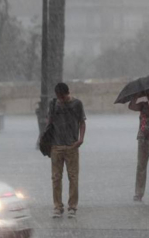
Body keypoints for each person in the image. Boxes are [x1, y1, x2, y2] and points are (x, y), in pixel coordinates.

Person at [48, 82, 86, 218]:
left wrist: (81, 139)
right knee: (56, 178)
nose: (61, 100)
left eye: (62, 97)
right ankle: (57, 206)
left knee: (73, 177)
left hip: (71, 145)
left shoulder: (77, 104)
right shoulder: (53, 104)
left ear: (67, 93)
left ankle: (72, 206)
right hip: (56, 146)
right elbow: (49, 123)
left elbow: (82, 122)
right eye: (58, 97)